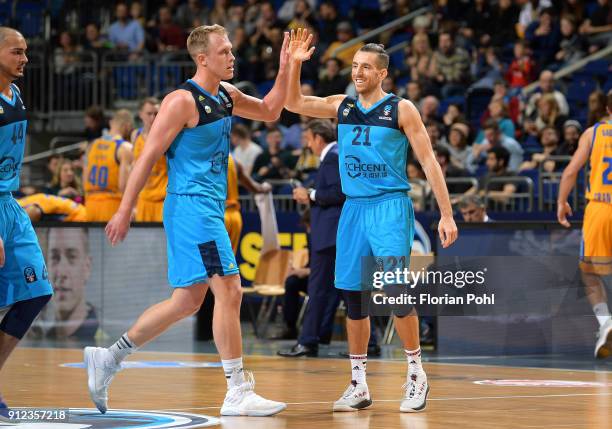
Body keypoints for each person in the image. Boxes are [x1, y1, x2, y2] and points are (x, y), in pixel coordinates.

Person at [86, 24, 290, 416]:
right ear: (203, 58)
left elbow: (270, 111)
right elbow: (147, 157)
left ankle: (108, 357)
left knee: (187, 301)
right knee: (230, 290)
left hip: (207, 207)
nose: (232, 57)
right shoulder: (181, 101)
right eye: (225, 51)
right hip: (192, 208)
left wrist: (286, 65)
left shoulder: (227, 95)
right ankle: (236, 391)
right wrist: (125, 209)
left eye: (232, 50)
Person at [284, 29, 458, 412]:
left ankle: (416, 372)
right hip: (353, 209)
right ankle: (358, 384)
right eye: (354, 66)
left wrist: (446, 214)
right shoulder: (341, 106)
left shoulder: (401, 109)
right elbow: (293, 101)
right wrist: (295, 64)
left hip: (389, 207)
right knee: (354, 298)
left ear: (382, 74)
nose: (357, 72)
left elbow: (429, 162)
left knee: (395, 293)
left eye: (365, 67)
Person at [0, 27, 53, 411]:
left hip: (10, 204)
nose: (25, 58)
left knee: (36, 291)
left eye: (26, 51)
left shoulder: (15, 93)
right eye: (17, 52)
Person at [278, 119, 343, 357]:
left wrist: (311, 194)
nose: (308, 145)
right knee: (347, 288)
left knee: (318, 289)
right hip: (334, 233)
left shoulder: (333, 155)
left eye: (308, 140)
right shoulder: (337, 154)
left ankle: (307, 341)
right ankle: (371, 343)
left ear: (318, 138)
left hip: (329, 234)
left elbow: (339, 192)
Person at [557, 91, 612, 359]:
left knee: (589, 272)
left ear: (607, 109)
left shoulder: (594, 133)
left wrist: (562, 202)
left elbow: (570, 171)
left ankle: (605, 322)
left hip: (601, 208)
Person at [46, 228, 99, 339]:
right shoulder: (42, 340)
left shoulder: (103, 343)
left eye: (72, 257)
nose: (61, 272)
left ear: (87, 267)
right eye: (54, 258)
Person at [83, 109, 134, 222]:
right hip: (111, 204)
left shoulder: (92, 145)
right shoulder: (125, 148)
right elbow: (123, 185)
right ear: (127, 126)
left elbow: (84, 179)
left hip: (90, 204)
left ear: (112, 123)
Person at [131, 97, 165, 222]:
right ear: (140, 114)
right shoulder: (135, 135)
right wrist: (132, 205)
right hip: (143, 200)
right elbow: (133, 171)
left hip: (163, 199)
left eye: (156, 113)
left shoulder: (168, 135)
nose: (153, 117)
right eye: (149, 113)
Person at [18, 193, 87, 222]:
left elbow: (34, 211)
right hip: (80, 211)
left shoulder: (18, 206)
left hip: (80, 217)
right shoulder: (19, 204)